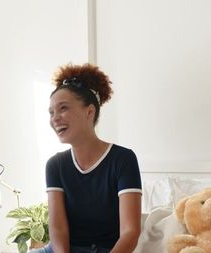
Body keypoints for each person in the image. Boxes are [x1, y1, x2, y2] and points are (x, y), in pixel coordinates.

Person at [36, 64, 142, 253]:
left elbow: (130, 232)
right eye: (51, 112)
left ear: (90, 112)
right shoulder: (55, 165)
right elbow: (58, 229)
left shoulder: (123, 159)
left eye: (63, 108)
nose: (55, 118)